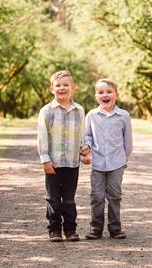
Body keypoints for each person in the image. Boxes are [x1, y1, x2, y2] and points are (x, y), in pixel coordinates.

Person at [36, 70, 88, 242]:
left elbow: (83, 134)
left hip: (72, 162)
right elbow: (42, 137)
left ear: (72, 88)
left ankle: (71, 230)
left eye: (66, 85)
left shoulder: (79, 110)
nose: (62, 88)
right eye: (58, 85)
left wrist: (85, 151)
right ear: (52, 89)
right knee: (53, 197)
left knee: (69, 198)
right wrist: (45, 160)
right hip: (54, 162)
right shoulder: (47, 111)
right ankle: (54, 230)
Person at [80, 78, 133, 240]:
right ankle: (96, 227)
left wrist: (125, 157)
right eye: (101, 92)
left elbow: (127, 140)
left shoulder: (123, 116)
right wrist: (86, 148)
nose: (105, 95)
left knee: (115, 195)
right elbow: (87, 135)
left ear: (116, 95)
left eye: (109, 92)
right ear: (96, 96)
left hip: (117, 163)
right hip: (97, 163)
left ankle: (115, 227)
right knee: (96, 196)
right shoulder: (91, 115)